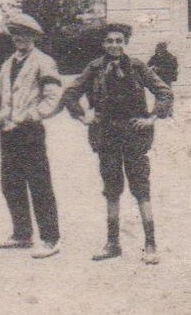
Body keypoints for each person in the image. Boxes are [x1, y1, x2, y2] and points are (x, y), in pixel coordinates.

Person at [62, 23, 173, 265]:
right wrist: (84, 116)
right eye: (109, 41)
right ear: (103, 44)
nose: (114, 45)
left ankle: (150, 244)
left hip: (134, 135)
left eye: (119, 40)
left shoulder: (136, 66)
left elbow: (164, 92)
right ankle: (113, 243)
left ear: (125, 43)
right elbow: (70, 94)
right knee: (111, 189)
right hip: (106, 136)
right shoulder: (95, 67)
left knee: (141, 188)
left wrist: (152, 117)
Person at [0, 12, 64, 259]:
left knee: (39, 184)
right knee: (10, 184)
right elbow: (0, 94)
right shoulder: (8, 63)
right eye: (15, 34)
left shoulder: (43, 61)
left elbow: (53, 96)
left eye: (24, 34)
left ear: (33, 36)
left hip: (30, 132)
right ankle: (22, 233)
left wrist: (35, 114)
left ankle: (50, 238)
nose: (19, 38)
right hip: (9, 132)